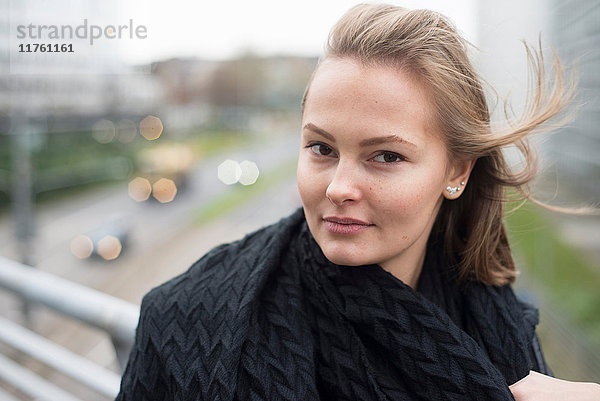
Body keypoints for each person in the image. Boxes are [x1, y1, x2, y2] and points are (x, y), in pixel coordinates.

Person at [116, 4, 600, 400]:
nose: (339, 188)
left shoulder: (509, 332)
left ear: (457, 171)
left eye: (385, 155)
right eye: (322, 149)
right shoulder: (181, 319)